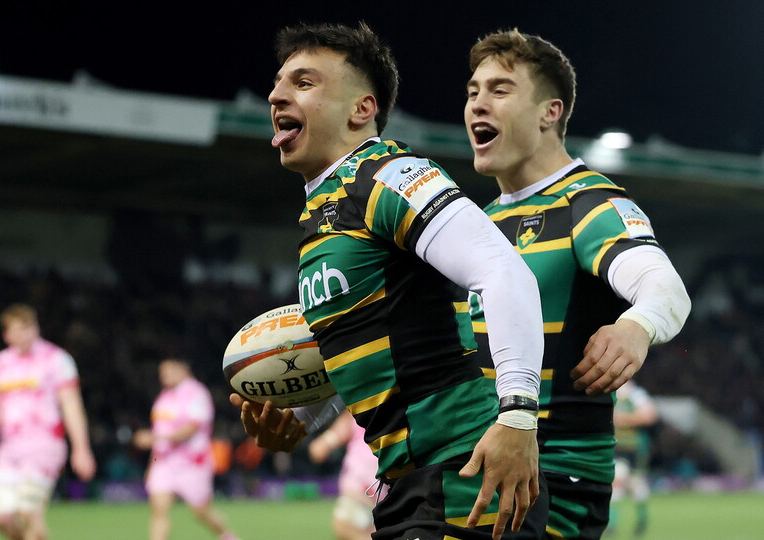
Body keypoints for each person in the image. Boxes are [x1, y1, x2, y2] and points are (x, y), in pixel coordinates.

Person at [230, 21, 548, 540]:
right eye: (278, 82)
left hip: (464, 479)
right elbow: (377, 349)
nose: (275, 95)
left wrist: (517, 415)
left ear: (361, 109)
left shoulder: (386, 174)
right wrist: (303, 418)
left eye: (304, 82)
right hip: (411, 484)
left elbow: (504, 271)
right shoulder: (324, 213)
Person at [463, 30, 691, 540]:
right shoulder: (476, 223)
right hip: (477, 470)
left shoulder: (588, 203)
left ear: (550, 112)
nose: (478, 103)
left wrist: (635, 326)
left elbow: (664, 285)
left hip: (552, 481)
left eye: (499, 90)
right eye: (473, 91)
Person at [0, 303, 97, 540]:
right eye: (18, 330)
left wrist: (81, 448)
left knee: (29, 510)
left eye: (28, 328)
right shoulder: (0, 363)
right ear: (6, 335)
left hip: (45, 444)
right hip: (9, 448)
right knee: (1, 518)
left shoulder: (56, 359)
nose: (25, 335)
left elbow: (71, 406)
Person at [133, 358, 240, 540]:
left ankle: (226, 535)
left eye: (167, 371)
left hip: (192, 463)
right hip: (164, 463)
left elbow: (192, 428)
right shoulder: (164, 397)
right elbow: (160, 430)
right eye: (161, 373)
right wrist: (152, 463)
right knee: (159, 509)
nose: (163, 376)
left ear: (182, 370)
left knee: (201, 511)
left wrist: (154, 438)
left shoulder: (197, 393)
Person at [309, 412, 379, 540]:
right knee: (345, 525)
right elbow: (321, 447)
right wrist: (325, 442)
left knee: (345, 526)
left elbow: (319, 448)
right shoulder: (356, 413)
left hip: (378, 487)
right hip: (363, 489)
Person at [609, 381, 657, 537]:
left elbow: (649, 416)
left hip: (635, 448)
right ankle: (612, 524)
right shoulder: (610, 389)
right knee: (615, 481)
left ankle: (642, 519)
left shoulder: (635, 393)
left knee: (636, 484)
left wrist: (622, 419)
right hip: (617, 447)